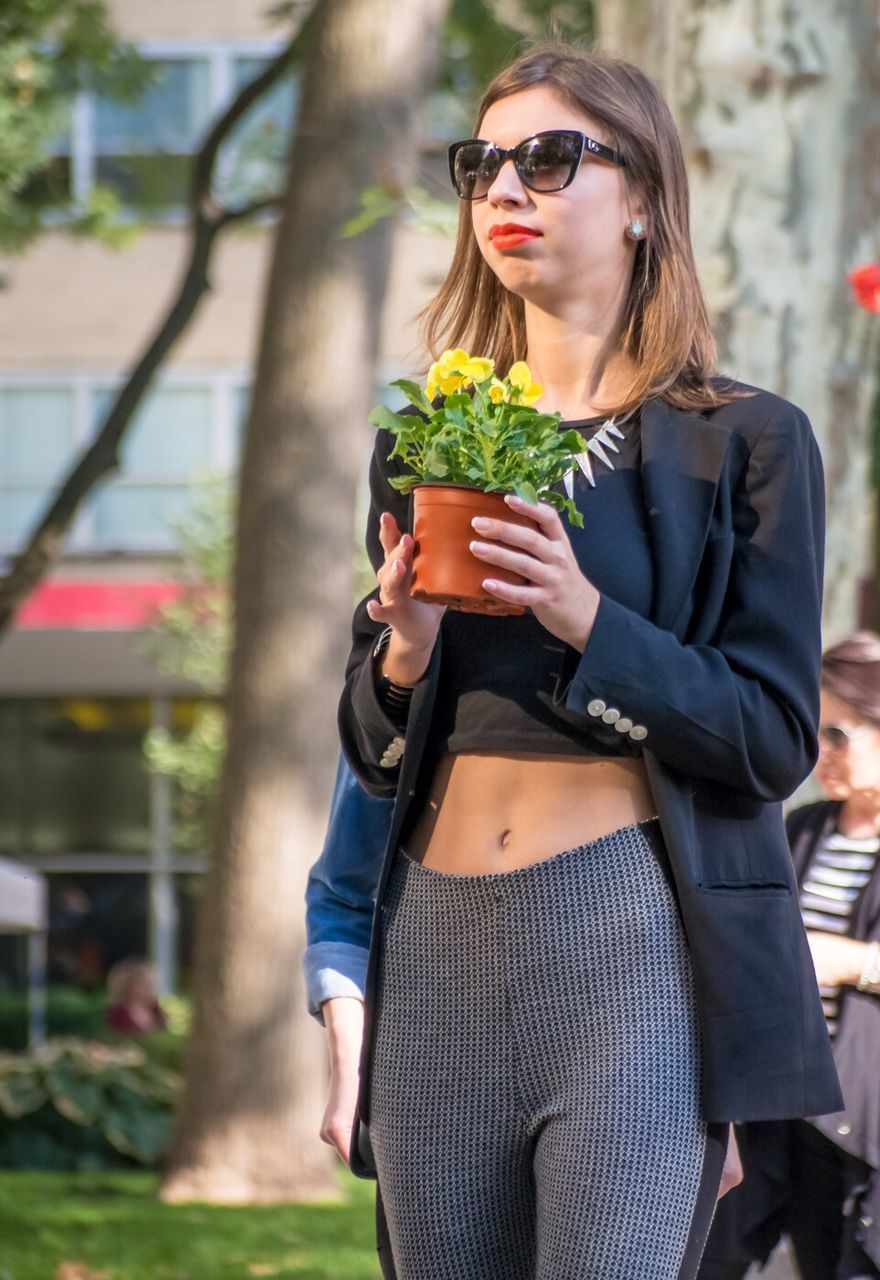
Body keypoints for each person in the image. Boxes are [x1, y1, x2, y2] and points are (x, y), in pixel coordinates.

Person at [309, 40, 843, 1280]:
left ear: (644, 197)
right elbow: (374, 748)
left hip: (630, 941)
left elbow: (771, 736)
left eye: (550, 159)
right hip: (434, 936)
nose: (505, 189)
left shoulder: (745, 441)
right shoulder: (425, 438)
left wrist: (586, 620)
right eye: (482, 163)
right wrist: (404, 650)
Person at [699, 633, 880, 1280]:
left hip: (868, 1126)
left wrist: (856, 963)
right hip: (786, 1113)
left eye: (838, 732)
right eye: (812, 731)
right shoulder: (802, 830)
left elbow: (828, 958)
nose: (819, 752)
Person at [105, 957, 167, 1034]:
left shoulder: (155, 1008)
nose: (149, 989)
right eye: (144, 984)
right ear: (130, 986)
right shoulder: (118, 1012)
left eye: (151, 985)